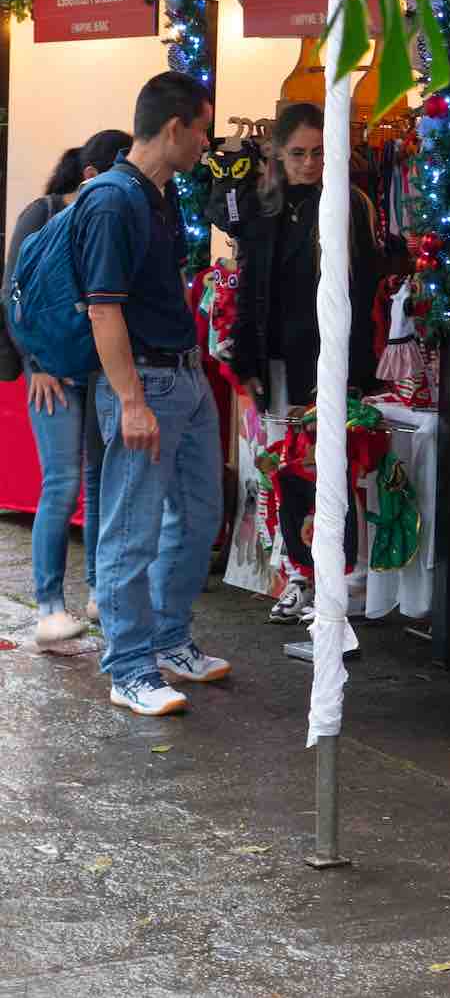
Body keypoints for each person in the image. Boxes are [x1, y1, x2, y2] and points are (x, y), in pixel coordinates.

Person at [79, 72, 227, 717]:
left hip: (185, 377)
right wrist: (132, 400)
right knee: (131, 532)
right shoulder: (115, 200)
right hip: (147, 382)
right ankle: (130, 666)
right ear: (175, 128)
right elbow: (101, 310)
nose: (206, 143)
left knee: (197, 518)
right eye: (202, 129)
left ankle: (168, 641)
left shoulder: (155, 195)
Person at [230, 101, 381, 626]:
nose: (309, 162)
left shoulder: (348, 204)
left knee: (331, 470)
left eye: (318, 152)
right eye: (298, 153)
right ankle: (298, 575)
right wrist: (243, 351)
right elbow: (249, 284)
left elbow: (364, 293)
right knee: (289, 471)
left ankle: (337, 581)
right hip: (276, 360)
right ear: (278, 153)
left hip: (328, 360)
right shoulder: (264, 206)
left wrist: (357, 371)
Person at [5, 129, 132, 645]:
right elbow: (11, 295)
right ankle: (48, 605)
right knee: (61, 483)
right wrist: (32, 363)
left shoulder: (109, 220)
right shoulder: (42, 213)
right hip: (52, 375)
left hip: (96, 369)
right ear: (91, 175)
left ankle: (100, 592)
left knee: (101, 479)